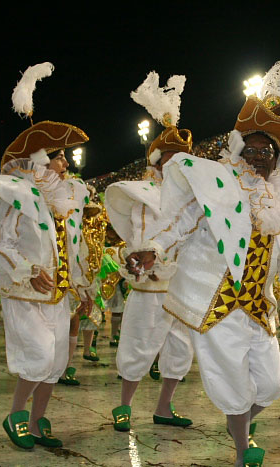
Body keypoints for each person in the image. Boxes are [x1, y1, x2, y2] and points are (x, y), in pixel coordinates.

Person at [125, 42, 280, 466]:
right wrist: (152, 249)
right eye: (252, 149)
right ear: (239, 150)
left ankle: (238, 423)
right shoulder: (216, 183)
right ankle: (243, 445)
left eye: (267, 151)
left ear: (279, 156)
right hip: (215, 298)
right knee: (229, 382)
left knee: (272, 384)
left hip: (260, 304)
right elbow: (180, 222)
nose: (259, 156)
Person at [0, 62, 93, 450]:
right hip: (23, 290)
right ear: (39, 162)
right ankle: (16, 412)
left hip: (58, 291)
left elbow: (76, 247)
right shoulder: (15, 194)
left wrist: (83, 285)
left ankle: (37, 422)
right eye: (59, 158)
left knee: (54, 361)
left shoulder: (63, 203)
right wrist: (27, 270)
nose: (66, 164)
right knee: (36, 354)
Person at [107, 70, 195, 432]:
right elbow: (139, 235)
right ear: (157, 161)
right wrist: (146, 260)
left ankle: (164, 406)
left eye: (181, 159)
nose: (175, 165)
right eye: (169, 158)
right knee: (139, 341)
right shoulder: (142, 195)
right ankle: (124, 406)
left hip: (184, 285)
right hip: (151, 281)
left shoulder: (194, 197)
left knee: (181, 348)